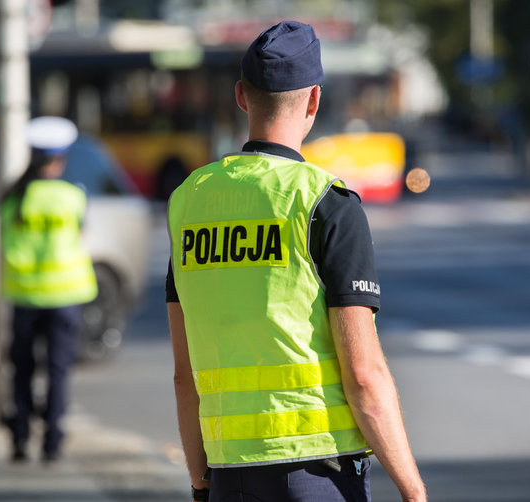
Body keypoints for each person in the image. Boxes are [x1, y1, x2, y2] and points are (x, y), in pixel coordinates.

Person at [166, 21, 426, 501]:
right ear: (314, 100)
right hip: (317, 473)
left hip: (228, 474)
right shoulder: (325, 202)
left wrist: (202, 483)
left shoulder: (189, 203)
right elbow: (364, 375)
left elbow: (185, 376)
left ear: (242, 96)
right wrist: (413, 490)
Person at [1, 116, 98, 463]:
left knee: (22, 370)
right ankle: (53, 442)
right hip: (65, 297)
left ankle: (19, 439)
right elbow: (80, 236)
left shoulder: (13, 198)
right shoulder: (72, 197)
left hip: (24, 295)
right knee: (58, 372)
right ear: (60, 159)